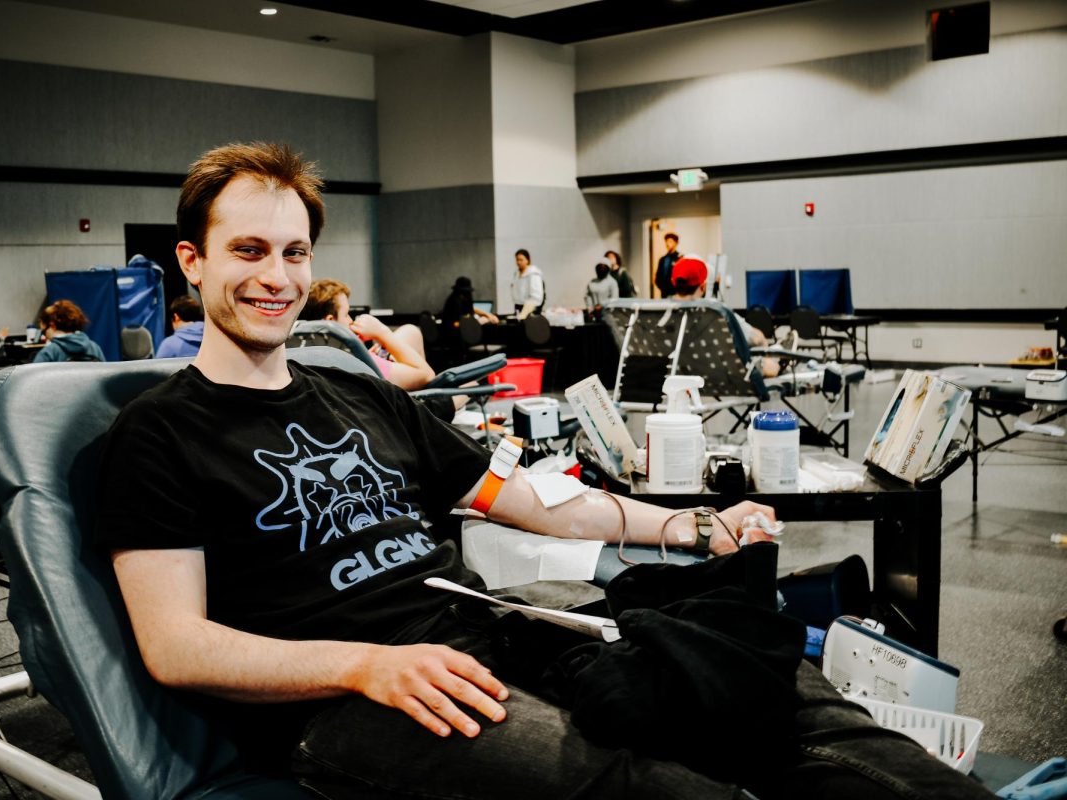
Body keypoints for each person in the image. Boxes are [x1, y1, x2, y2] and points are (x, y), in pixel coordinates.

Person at [96, 141, 990, 800]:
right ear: (192, 261)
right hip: (351, 698)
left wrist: (684, 526)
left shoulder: (363, 397)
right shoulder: (158, 434)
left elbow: (536, 503)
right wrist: (365, 665)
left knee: (762, 685)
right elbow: (176, 647)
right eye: (248, 251)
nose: (277, 277)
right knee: (654, 790)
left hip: (499, 632)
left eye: (294, 254)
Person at [300, 278, 435, 390]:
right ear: (330, 321)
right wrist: (382, 333)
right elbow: (427, 375)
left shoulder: (301, 356)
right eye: (346, 315)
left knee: (409, 332)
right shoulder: (358, 361)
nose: (350, 321)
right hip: (401, 409)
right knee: (411, 331)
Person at [669, 257, 780, 378]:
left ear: (673, 282)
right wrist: (765, 345)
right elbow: (756, 339)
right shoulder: (714, 311)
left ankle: (778, 351)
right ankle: (779, 353)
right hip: (723, 373)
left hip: (681, 373)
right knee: (771, 364)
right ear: (702, 287)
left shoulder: (661, 313)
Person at [32, 300, 106, 363]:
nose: (45, 335)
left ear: (52, 325)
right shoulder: (95, 348)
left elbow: (34, 378)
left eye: (44, 331)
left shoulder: (48, 353)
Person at [510, 248, 544, 320]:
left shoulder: (533, 274)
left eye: (521, 260)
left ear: (527, 260)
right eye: (517, 260)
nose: (518, 262)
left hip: (530, 308)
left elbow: (536, 296)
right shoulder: (516, 274)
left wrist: (525, 312)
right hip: (518, 306)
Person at [654, 232, 681, 298]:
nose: (667, 244)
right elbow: (658, 277)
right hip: (664, 294)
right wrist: (663, 288)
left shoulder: (680, 258)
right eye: (666, 241)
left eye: (670, 241)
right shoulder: (663, 259)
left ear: (676, 243)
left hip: (676, 294)